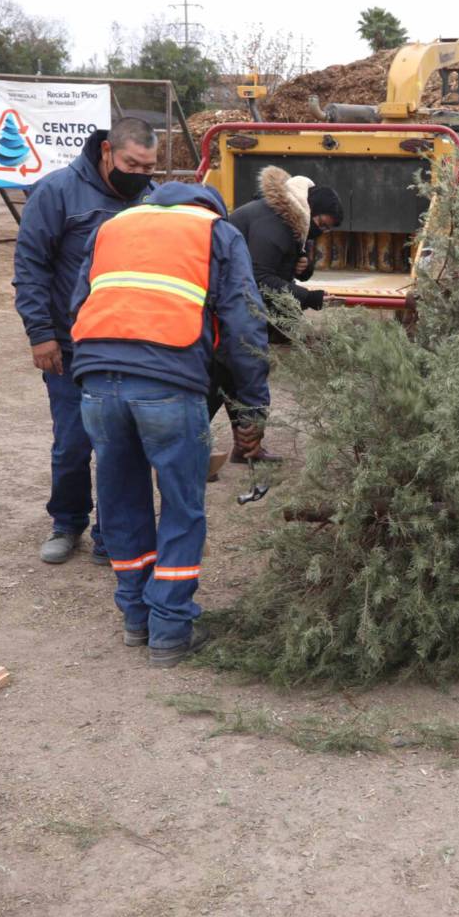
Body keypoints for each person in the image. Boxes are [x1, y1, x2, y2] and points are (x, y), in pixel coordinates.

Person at [68, 177, 270, 664]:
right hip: (169, 384)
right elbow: (243, 323)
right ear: (211, 205)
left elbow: (79, 304)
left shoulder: (114, 226)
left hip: (97, 383)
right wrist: (252, 406)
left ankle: (136, 617)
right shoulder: (216, 232)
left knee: (120, 501)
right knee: (181, 506)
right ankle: (170, 631)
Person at [12, 117, 159, 566]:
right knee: (74, 443)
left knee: (121, 445)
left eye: (150, 166)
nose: (141, 173)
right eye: (133, 163)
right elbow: (31, 267)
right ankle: (67, 521)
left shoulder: (149, 199)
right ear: (107, 153)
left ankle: (108, 533)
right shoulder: (57, 192)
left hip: (127, 348)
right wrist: (41, 335)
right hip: (71, 348)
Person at [211, 167, 345, 459]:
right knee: (224, 374)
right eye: (323, 223)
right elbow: (260, 276)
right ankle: (194, 448)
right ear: (313, 211)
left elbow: (285, 266)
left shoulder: (292, 219)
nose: (322, 230)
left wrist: (304, 266)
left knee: (236, 376)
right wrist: (308, 298)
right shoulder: (273, 223)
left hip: (238, 304)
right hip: (229, 306)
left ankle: (247, 448)